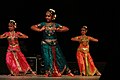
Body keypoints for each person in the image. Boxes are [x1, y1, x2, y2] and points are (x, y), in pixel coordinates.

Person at [31, 9, 74, 77]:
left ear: (52, 17)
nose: (47, 17)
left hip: (54, 44)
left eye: (49, 16)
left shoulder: (55, 25)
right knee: (47, 58)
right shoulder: (43, 24)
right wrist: (39, 30)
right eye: (46, 16)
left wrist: (59, 30)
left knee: (59, 57)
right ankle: (48, 72)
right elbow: (32, 27)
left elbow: (66, 28)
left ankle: (66, 71)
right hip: (45, 43)